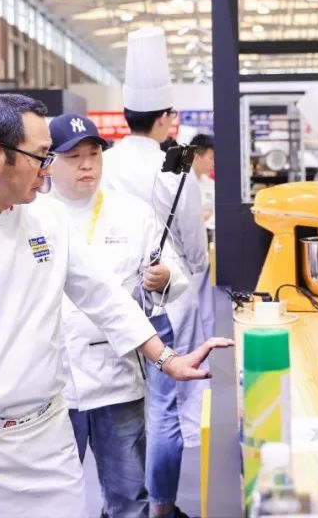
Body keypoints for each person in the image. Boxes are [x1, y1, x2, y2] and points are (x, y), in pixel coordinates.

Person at [0, 94, 231, 518]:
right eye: (41, 157)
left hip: (50, 440)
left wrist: (167, 359)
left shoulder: (48, 219)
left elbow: (104, 297)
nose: (47, 169)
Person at [48, 113, 190, 518]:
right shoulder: (33, 216)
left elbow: (172, 272)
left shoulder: (131, 212)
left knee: (129, 495)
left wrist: (163, 277)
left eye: (94, 155)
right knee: (52, 499)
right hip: (55, 384)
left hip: (118, 376)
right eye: (73, 157)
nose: (87, 165)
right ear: (49, 162)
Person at [102, 27, 210, 518]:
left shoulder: (103, 163)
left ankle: (125, 502)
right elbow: (192, 239)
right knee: (164, 404)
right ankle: (162, 507)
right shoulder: (173, 165)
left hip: (114, 297)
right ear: (164, 118)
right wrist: (194, 270)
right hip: (166, 294)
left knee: (124, 405)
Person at [189, 133, 215, 230]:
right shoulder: (179, 184)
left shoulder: (210, 183)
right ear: (196, 157)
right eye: (211, 158)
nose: (214, 163)